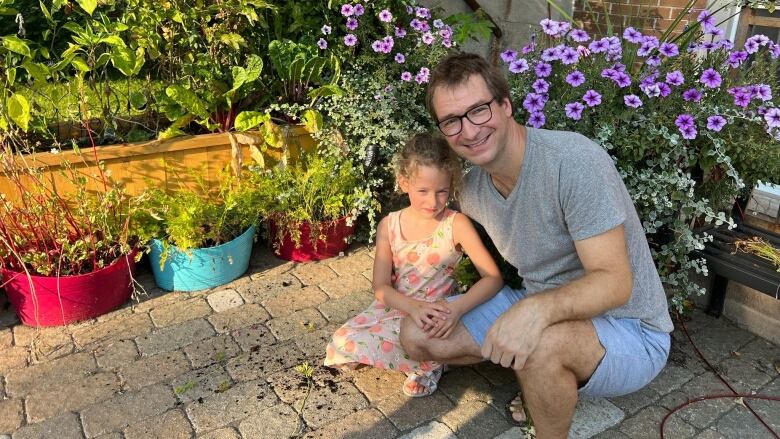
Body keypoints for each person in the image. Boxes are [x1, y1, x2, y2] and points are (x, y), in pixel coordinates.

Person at [398, 53, 673, 437]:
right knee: (416, 335)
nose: (469, 130)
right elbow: (427, 228)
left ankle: (544, 389)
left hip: (630, 329)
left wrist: (534, 313)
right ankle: (545, 380)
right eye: (452, 121)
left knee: (541, 343)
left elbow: (615, 282)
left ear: (506, 105)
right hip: (543, 301)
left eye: (478, 110)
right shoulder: (473, 189)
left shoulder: (573, 161)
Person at [324, 133, 504, 397]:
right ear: (404, 182)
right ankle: (428, 359)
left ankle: (429, 364)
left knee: (422, 337)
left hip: (437, 315)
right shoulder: (390, 224)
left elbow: (493, 278)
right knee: (341, 342)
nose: (433, 202)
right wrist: (411, 307)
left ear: (451, 185)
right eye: (423, 191)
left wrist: (456, 310)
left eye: (442, 191)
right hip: (399, 306)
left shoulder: (455, 224)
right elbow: (381, 288)